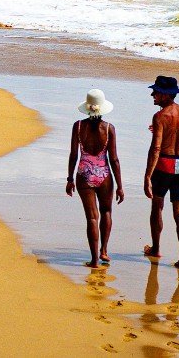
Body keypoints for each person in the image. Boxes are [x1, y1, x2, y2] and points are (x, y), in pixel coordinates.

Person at [141, 75, 179, 269]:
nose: (153, 95)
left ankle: (155, 248)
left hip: (164, 164)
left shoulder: (160, 116)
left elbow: (156, 148)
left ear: (165, 94)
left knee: (157, 207)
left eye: (155, 92)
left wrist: (148, 175)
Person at [66, 89, 123, 267]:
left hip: (84, 174)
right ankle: (104, 251)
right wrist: (120, 186)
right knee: (106, 212)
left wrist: (69, 179)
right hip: (104, 175)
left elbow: (73, 155)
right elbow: (114, 159)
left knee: (92, 218)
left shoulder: (78, 126)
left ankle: (94, 260)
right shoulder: (109, 128)